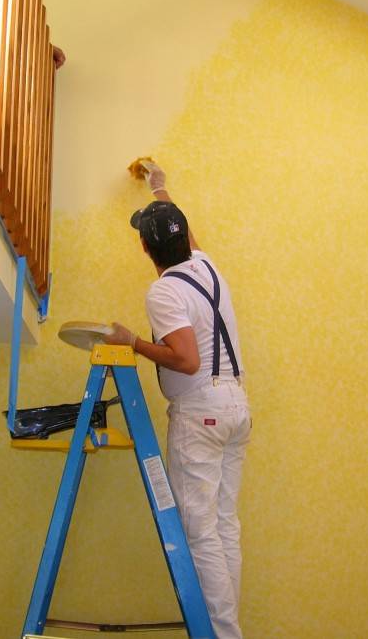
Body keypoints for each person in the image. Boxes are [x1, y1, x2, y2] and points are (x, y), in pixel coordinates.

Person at [104, 161, 251, 639]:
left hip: (201, 413)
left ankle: (221, 635)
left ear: (144, 248)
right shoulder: (206, 266)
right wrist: (159, 188)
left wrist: (132, 342)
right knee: (223, 524)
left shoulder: (164, 290)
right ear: (185, 238)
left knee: (200, 531)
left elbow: (185, 360)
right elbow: (180, 228)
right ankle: (229, 632)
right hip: (235, 406)